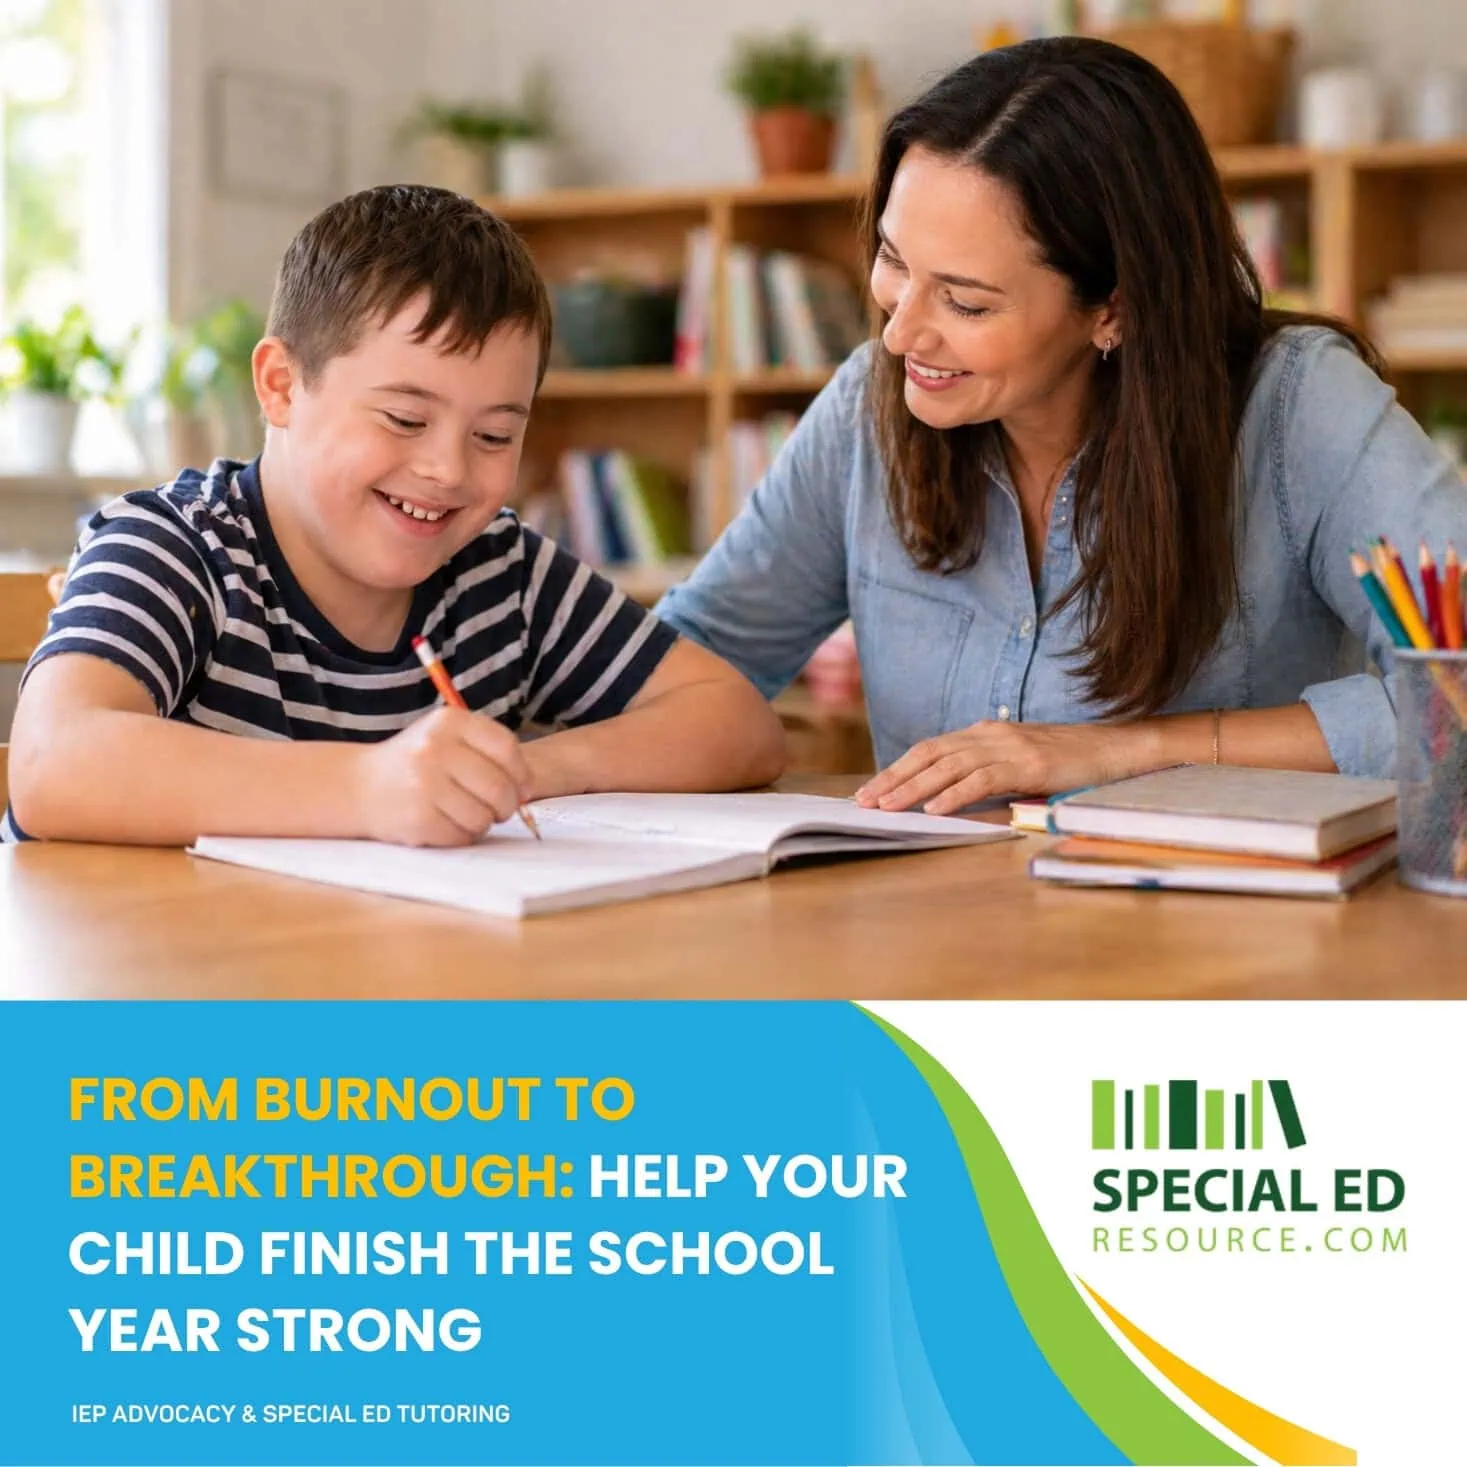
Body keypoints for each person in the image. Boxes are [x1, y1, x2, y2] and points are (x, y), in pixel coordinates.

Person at [658, 37, 1467, 815]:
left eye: (966, 301)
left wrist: (1125, 750)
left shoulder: (1295, 406)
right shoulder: (865, 413)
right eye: (894, 260)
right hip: (933, 934)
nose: (900, 333)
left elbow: (1455, 695)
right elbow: (684, 666)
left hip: (1222, 938)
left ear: (1113, 306)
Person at [5, 185, 784, 845]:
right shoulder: (172, 548)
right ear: (280, 386)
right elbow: (51, 763)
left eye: (493, 435)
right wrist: (369, 786)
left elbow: (736, 722)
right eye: (404, 420)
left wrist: (530, 768)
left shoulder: (498, 572)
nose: (448, 470)